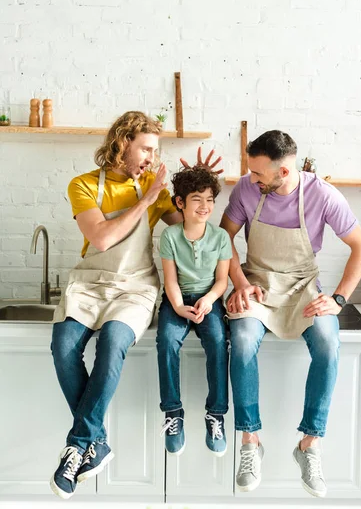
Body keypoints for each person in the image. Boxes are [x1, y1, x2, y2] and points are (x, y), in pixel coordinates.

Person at [50, 111, 221, 499]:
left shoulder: (157, 190)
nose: (151, 157)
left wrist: (199, 184)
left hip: (136, 287)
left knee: (112, 346)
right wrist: (146, 199)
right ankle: (98, 442)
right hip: (91, 282)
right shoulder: (83, 186)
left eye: (155, 150)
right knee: (62, 348)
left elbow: (192, 234)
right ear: (122, 143)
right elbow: (102, 239)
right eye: (145, 148)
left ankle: (79, 446)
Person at [220, 130, 361, 497]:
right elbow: (223, 240)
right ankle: (250, 441)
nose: (251, 179)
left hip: (303, 286)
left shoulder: (322, 195)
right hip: (256, 284)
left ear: (283, 172)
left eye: (258, 174)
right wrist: (239, 284)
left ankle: (309, 444)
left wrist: (338, 298)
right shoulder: (245, 189)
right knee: (240, 342)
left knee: (326, 342)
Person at [156, 166, 232, 457]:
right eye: (197, 199)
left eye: (210, 199)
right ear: (180, 203)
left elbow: (222, 280)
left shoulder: (221, 237)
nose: (205, 206)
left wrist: (210, 300)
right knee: (166, 342)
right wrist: (178, 307)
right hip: (177, 300)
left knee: (217, 341)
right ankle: (173, 413)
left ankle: (216, 414)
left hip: (209, 300)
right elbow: (171, 280)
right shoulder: (170, 236)